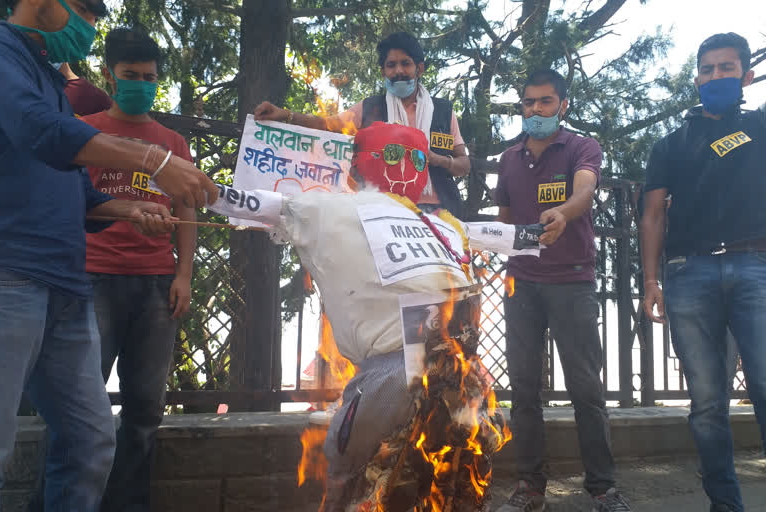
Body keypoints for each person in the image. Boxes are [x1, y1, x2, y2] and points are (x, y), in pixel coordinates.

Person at [207, 122, 542, 511]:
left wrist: (535, 233)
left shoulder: (425, 220)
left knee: (375, 471)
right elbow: (248, 202)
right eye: (397, 156)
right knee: (413, 475)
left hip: (425, 374)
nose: (406, 168)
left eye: (416, 158)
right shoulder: (406, 219)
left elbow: (489, 233)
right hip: (436, 376)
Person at [0, 1, 217, 510]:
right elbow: (41, 132)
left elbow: (75, 188)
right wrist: (153, 159)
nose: (90, 28)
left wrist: (128, 207)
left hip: (67, 291)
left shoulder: (49, 82)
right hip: (13, 276)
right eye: (85, 12)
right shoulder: (4, 55)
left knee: (91, 442)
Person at [495, 69, 630, 512]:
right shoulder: (509, 158)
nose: (536, 110)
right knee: (524, 388)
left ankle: (603, 488)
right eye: (529, 102)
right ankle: (530, 487)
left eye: (546, 102)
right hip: (521, 282)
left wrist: (564, 213)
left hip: (572, 279)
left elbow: (585, 191)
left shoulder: (581, 147)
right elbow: (506, 218)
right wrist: (487, 238)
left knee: (586, 388)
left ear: (563, 105)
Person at [641, 33, 765, 512]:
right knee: (707, 406)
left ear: (746, 75)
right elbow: (651, 216)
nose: (716, 77)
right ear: (696, 77)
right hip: (688, 275)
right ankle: (725, 505)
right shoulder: (670, 145)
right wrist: (650, 283)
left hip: (757, 266)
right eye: (708, 69)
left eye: (727, 68)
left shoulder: (761, 126)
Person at [78, 27, 196, 511]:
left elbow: (188, 211)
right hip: (92, 280)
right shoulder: (84, 131)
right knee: (82, 410)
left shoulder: (173, 141)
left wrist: (183, 275)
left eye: (148, 77)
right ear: (110, 75)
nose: (140, 84)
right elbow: (71, 203)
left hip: (155, 285)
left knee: (146, 408)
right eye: (130, 76)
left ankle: (127, 505)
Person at [252, 31, 471, 217]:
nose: (398, 71)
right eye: (391, 65)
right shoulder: (369, 109)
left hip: (441, 214)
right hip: (384, 211)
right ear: (383, 72)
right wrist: (286, 115)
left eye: (406, 63)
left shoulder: (443, 111)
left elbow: (464, 165)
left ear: (419, 69)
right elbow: (326, 125)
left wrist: (438, 160)